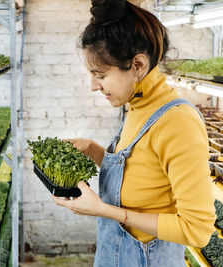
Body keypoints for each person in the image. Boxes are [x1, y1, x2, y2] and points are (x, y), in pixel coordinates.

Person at [52, 0, 216, 266]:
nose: (94, 86)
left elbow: (197, 230)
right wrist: (94, 150)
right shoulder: (139, 104)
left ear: (137, 65)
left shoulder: (177, 122)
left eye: (100, 75)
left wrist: (104, 211)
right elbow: (141, 175)